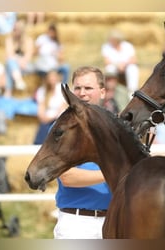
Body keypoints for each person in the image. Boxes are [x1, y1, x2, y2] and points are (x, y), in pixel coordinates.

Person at [54, 66, 111, 239]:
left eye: (88, 88)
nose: (82, 93)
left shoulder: (116, 129)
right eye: (77, 88)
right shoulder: (61, 130)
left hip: (113, 222)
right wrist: (111, 174)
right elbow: (68, 177)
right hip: (76, 224)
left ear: (102, 92)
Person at [33, 70, 67, 145]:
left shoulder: (62, 88)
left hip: (59, 117)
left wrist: (51, 117)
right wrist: (43, 117)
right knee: (43, 128)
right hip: (47, 117)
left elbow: (63, 107)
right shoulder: (42, 91)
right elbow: (41, 109)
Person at [101, 29, 139, 95]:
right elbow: (106, 61)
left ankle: (132, 91)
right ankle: (110, 90)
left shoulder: (128, 46)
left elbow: (134, 60)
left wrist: (124, 65)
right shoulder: (106, 46)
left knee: (133, 69)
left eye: (112, 39)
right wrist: (117, 65)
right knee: (109, 68)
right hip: (114, 66)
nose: (110, 41)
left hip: (126, 66)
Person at [5, 19, 35, 94]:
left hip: (26, 66)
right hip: (16, 65)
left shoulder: (28, 40)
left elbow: (28, 56)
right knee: (10, 63)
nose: (13, 31)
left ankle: (8, 91)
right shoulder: (9, 40)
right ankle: (18, 81)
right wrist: (19, 61)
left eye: (15, 29)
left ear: (21, 30)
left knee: (10, 65)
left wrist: (22, 62)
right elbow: (9, 54)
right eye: (13, 29)